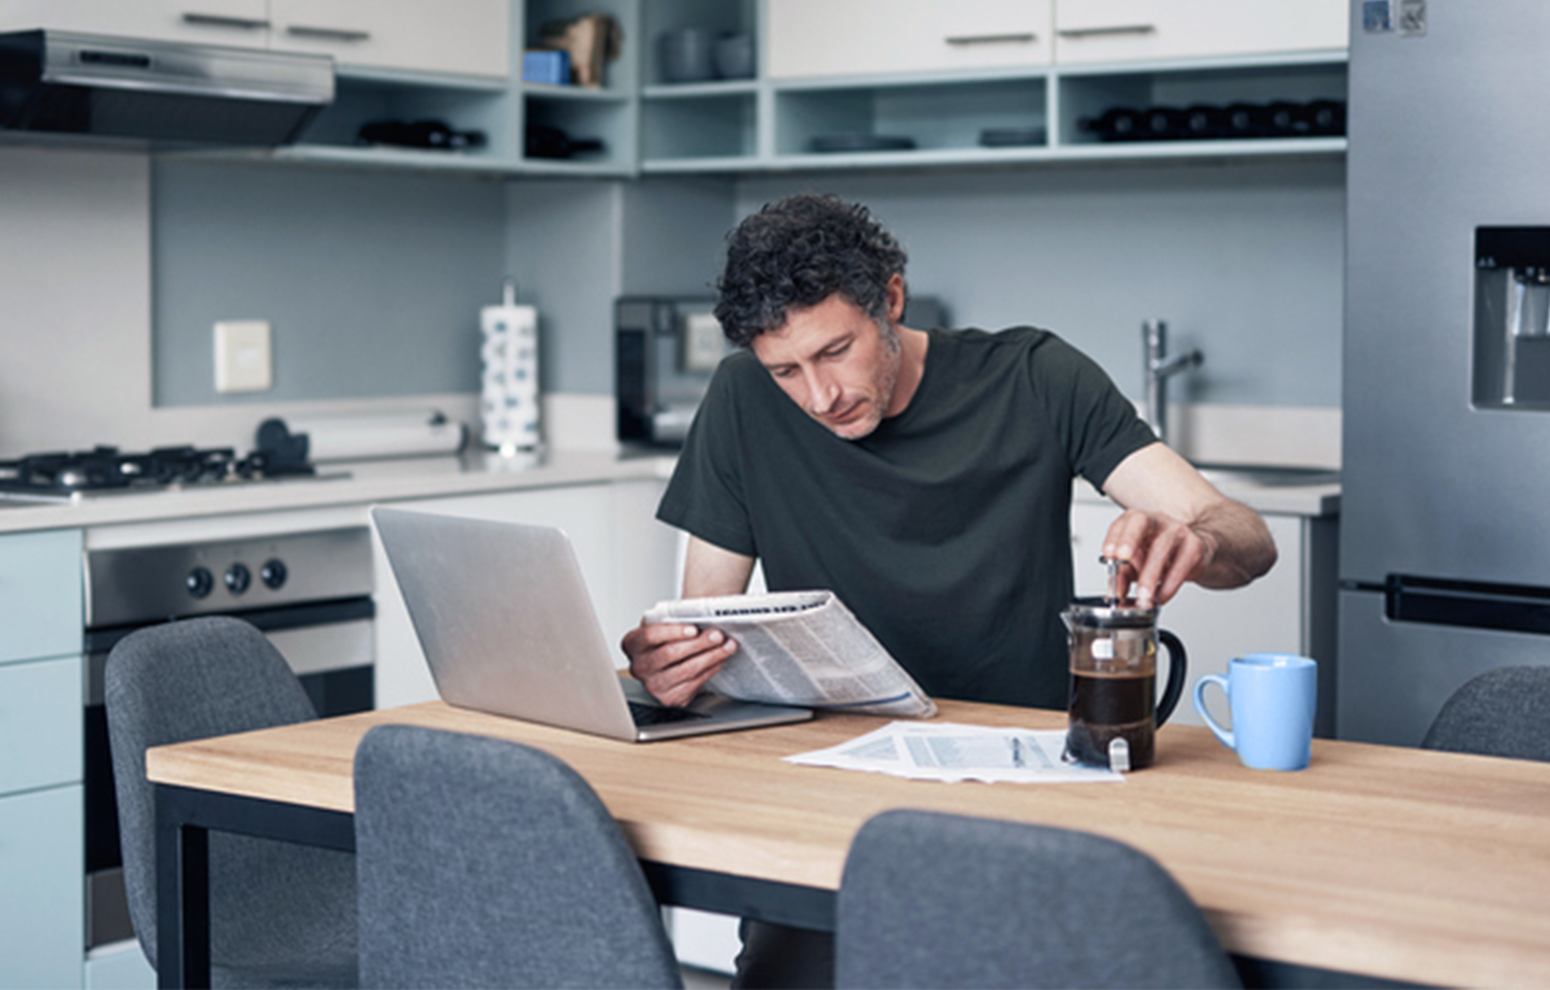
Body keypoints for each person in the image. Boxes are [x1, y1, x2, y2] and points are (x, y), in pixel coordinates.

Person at [621, 192, 1277, 988]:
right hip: (831, 784)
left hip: (1027, 784)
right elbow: (707, 627)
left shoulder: (1036, 376)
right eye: (786, 369)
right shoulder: (741, 398)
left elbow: (1247, 540)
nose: (818, 397)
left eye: (836, 352)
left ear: (890, 299)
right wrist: (674, 664)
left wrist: (1197, 538)